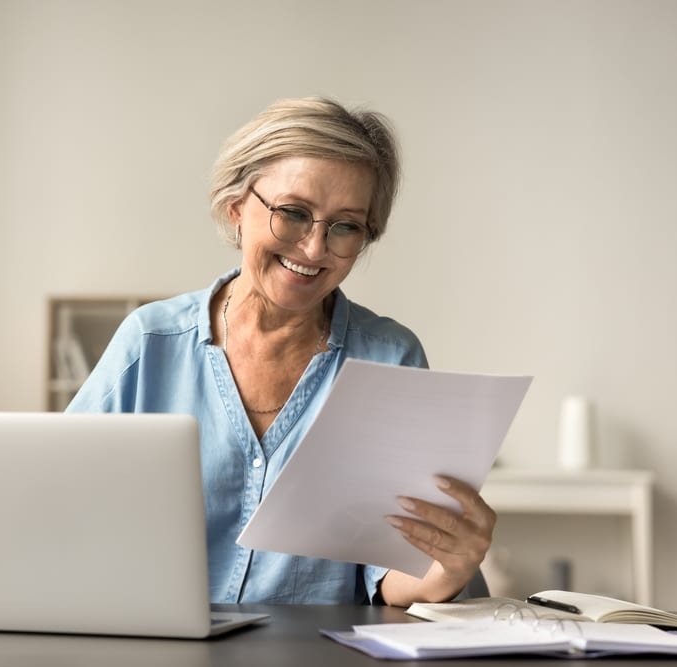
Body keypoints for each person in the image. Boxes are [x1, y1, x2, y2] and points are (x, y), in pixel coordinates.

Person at [67, 97, 495, 606]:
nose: (315, 249)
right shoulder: (150, 343)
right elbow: (61, 514)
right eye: (293, 213)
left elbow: (394, 580)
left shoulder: (390, 357)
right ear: (236, 208)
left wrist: (451, 565)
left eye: (346, 226)